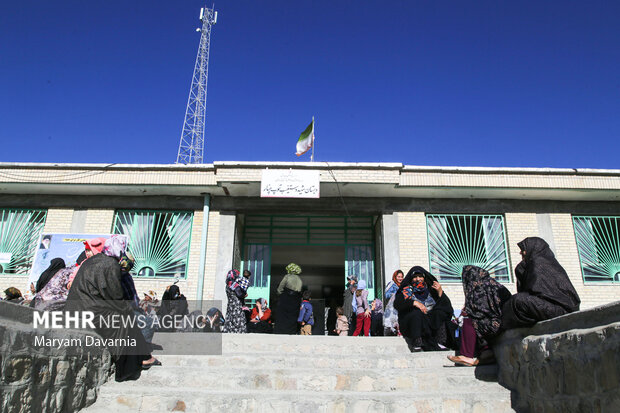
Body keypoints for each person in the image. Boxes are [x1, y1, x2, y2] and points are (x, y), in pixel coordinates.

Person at [64, 235, 155, 382]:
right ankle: (130, 368)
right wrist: (128, 310)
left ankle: (145, 357)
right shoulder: (111, 264)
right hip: (90, 311)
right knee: (126, 322)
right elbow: (115, 296)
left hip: (75, 308)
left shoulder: (91, 261)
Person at [503, 237, 581, 328]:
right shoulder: (540, 262)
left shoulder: (539, 263)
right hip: (555, 308)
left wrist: (521, 267)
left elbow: (535, 291)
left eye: (523, 249)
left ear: (533, 248)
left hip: (561, 310)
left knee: (518, 302)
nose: (521, 253)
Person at [394, 266, 454, 351]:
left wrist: (440, 292)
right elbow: (398, 304)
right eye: (415, 277)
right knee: (416, 313)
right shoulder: (406, 290)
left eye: (420, 276)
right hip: (414, 322)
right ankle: (417, 342)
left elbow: (446, 306)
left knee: (440, 313)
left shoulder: (431, 289)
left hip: (430, 321)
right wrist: (414, 303)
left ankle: (440, 342)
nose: (418, 279)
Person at [274, 263, 303, 335]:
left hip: (286, 297)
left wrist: (279, 294)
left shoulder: (287, 276)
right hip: (296, 299)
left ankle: (281, 331)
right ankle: (291, 331)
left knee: (282, 315)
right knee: (292, 316)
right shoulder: (299, 279)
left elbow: (281, 287)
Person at [223, 269, 247, 333]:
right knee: (238, 317)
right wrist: (244, 295)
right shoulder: (233, 284)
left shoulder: (227, 284)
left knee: (230, 317)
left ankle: (230, 330)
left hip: (230, 304)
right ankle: (239, 331)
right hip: (236, 304)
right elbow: (239, 294)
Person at [384, 270, 403, 336]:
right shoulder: (391, 284)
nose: (400, 278)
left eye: (401, 277)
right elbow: (386, 295)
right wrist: (394, 294)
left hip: (400, 307)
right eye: (398, 276)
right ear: (395, 276)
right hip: (392, 308)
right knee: (390, 324)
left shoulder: (402, 285)